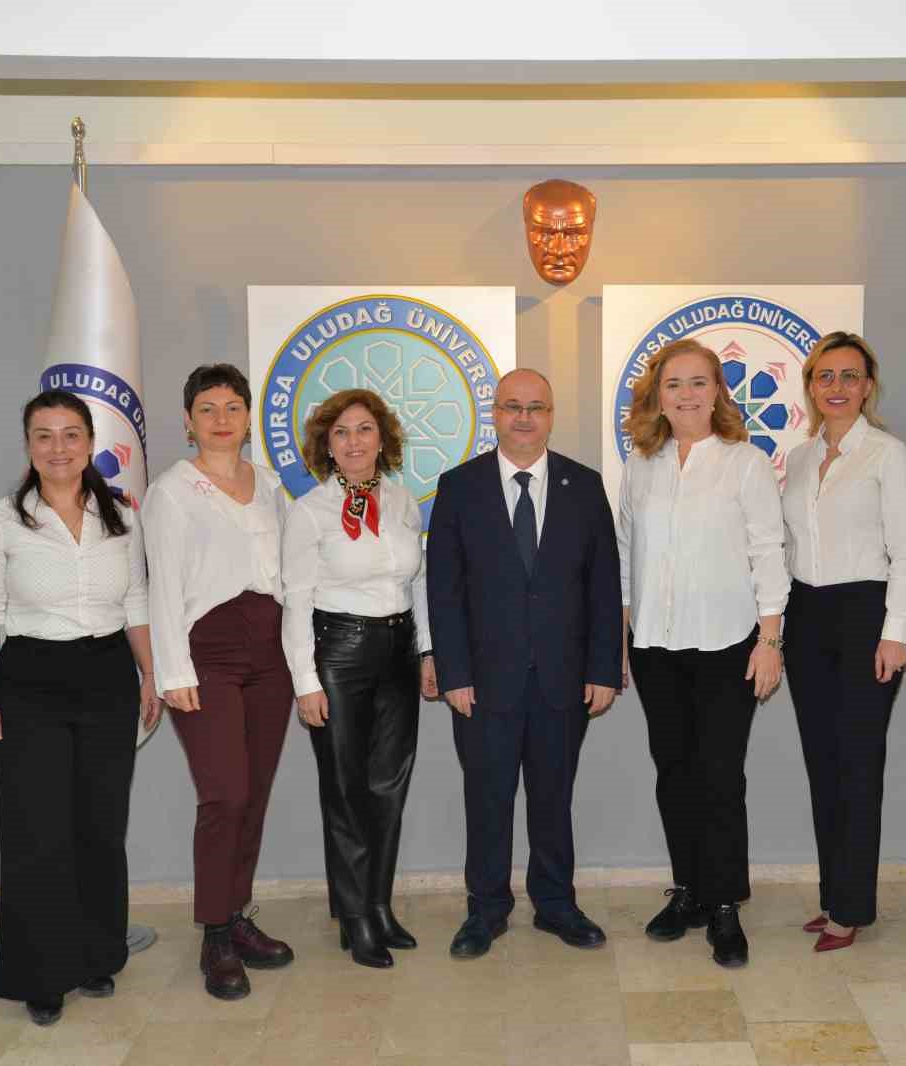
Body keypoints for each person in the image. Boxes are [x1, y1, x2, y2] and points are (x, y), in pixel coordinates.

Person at [0, 389, 161, 1027]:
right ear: (28, 446)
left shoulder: (121, 516)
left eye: (71, 434)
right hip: (29, 682)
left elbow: (135, 601)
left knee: (100, 827)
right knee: (36, 831)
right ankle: (41, 972)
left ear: (90, 443)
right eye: (43, 436)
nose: (58, 448)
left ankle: (98, 953)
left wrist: (150, 674)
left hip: (107, 677)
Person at [427, 368, 622, 960]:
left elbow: (603, 586)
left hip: (564, 680)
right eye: (512, 406)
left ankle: (556, 904)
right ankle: (485, 909)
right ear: (495, 413)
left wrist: (604, 669)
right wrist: (454, 672)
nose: (524, 418)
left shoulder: (583, 486)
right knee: (487, 800)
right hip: (483, 684)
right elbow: (444, 589)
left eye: (536, 407)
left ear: (551, 415)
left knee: (552, 799)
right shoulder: (459, 487)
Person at [619, 338, 789, 968]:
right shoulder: (641, 466)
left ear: (718, 391)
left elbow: (769, 552)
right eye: (674, 384)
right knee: (674, 772)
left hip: (728, 644)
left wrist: (770, 641)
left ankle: (723, 905)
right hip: (655, 646)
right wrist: (623, 637)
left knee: (719, 776)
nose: (686, 395)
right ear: (657, 396)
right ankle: (689, 889)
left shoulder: (745, 463)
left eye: (698, 383)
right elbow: (626, 554)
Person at [144, 364, 296, 1000]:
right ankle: (214, 934)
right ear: (188, 420)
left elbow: (290, 573)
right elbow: (163, 585)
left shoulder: (270, 486)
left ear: (248, 416)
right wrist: (173, 670)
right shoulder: (172, 492)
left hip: (271, 652)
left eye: (233, 407)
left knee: (253, 794)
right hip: (207, 654)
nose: (221, 419)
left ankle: (237, 918)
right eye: (207, 409)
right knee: (224, 796)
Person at [280, 389, 438, 969]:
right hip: (340, 655)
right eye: (341, 432)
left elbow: (417, 581)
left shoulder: (401, 501)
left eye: (364, 429)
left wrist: (427, 651)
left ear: (382, 439)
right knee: (346, 791)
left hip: (399, 649)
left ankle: (377, 905)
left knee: (388, 785)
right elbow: (296, 599)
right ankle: (354, 918)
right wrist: (305, 680)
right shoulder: (309, 512)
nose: (353, 441)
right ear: (327, 445)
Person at [781, 332, 906, 952]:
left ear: (868, 387)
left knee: (858, 764)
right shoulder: (800, 457)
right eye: (825, 376)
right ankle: (832, 895)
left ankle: (853, 905)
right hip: (806, 614)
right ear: (811, 386)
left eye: (849, 376)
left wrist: (894, 634)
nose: (836, 387)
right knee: (822, 762)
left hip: (866, 615)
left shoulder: (887, 454)